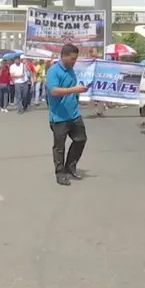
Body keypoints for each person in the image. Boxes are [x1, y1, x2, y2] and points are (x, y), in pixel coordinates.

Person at [45, 43, 88, 186]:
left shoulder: (71, 70)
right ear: (64, 56)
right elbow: (54, 91)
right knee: (59, 146)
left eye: (76, 59)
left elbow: (72, 88)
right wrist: (74, 89)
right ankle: (60, 173)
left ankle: (70, 166)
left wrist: (77, 93)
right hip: (59, 117)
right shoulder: (53, 71)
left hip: (73, 114)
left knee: (81, 139)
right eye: (72, 59)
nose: (74, 62)